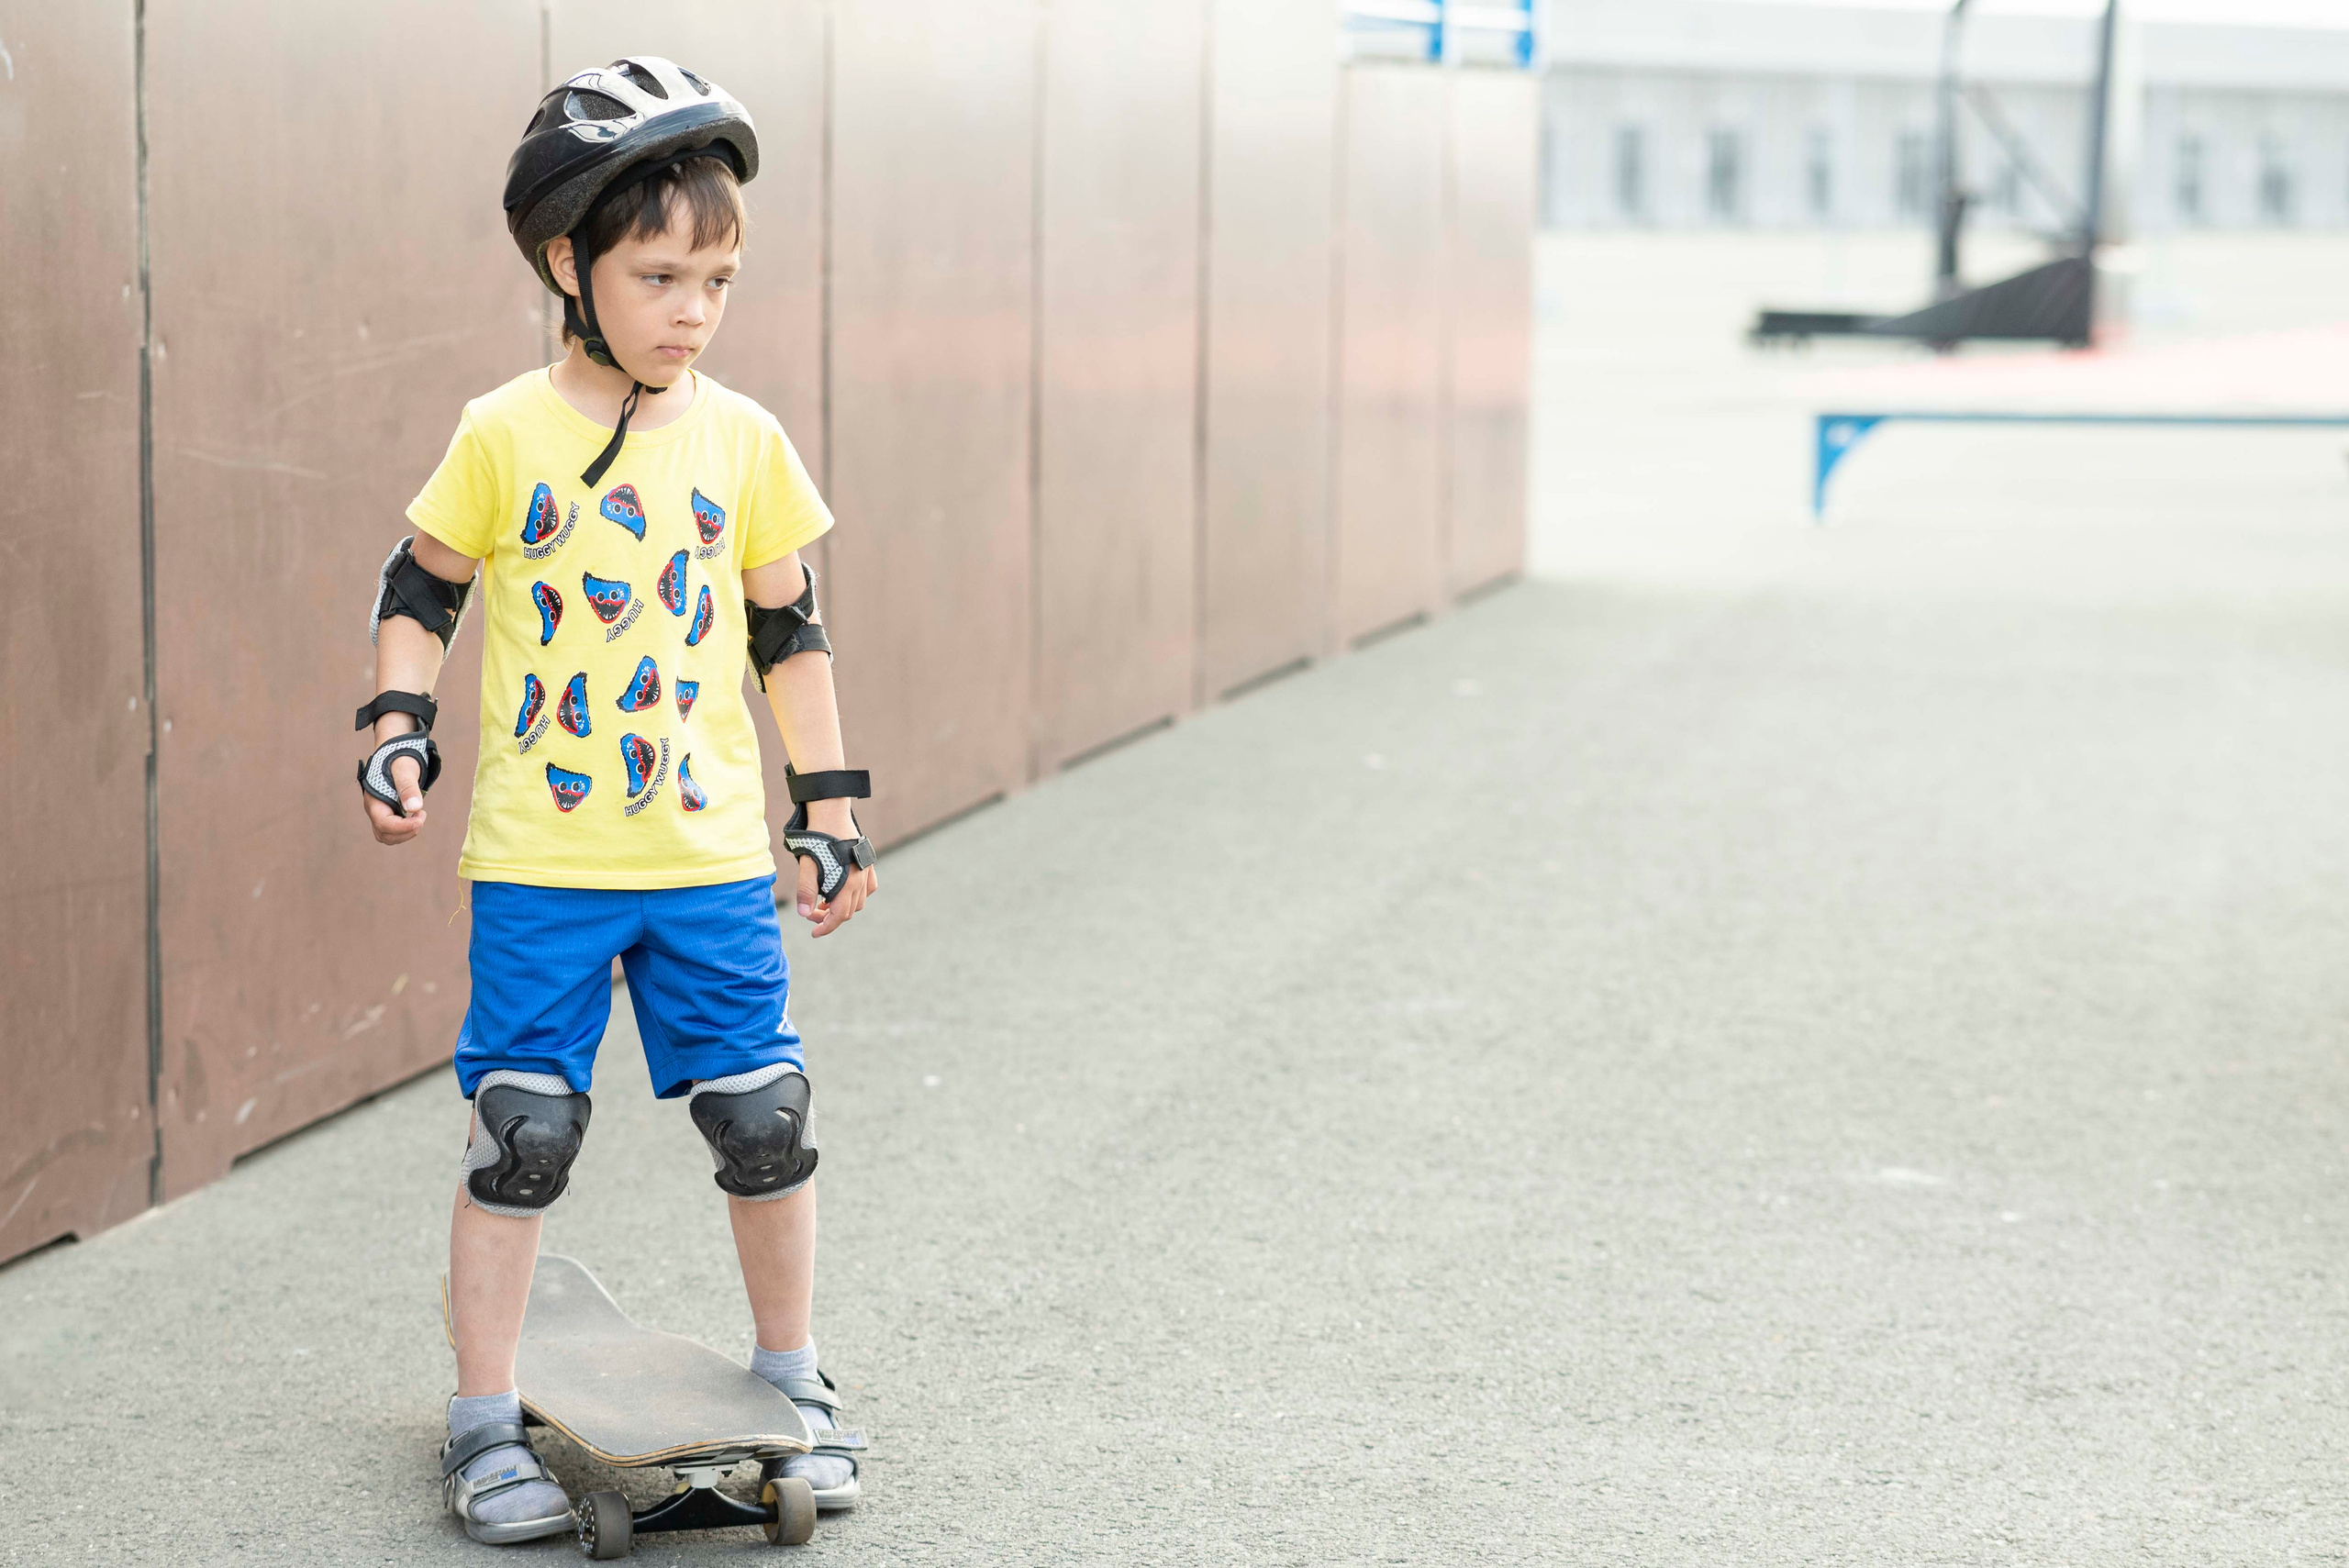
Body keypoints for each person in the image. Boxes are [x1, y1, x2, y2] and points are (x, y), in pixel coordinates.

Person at [353, 57, 876, 1545]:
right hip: (543, 861)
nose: (694, 308)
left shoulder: (743, 439)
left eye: (716, 276)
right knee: (523, 1131)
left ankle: (795, 1376)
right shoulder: (504, 430)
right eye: (660, 273)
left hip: (709, 858)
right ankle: (477, 1419)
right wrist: (396, 721)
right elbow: (419, 586)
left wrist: (830, 807)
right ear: (567, 263)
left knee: (766, 1119)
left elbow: (790, 631)